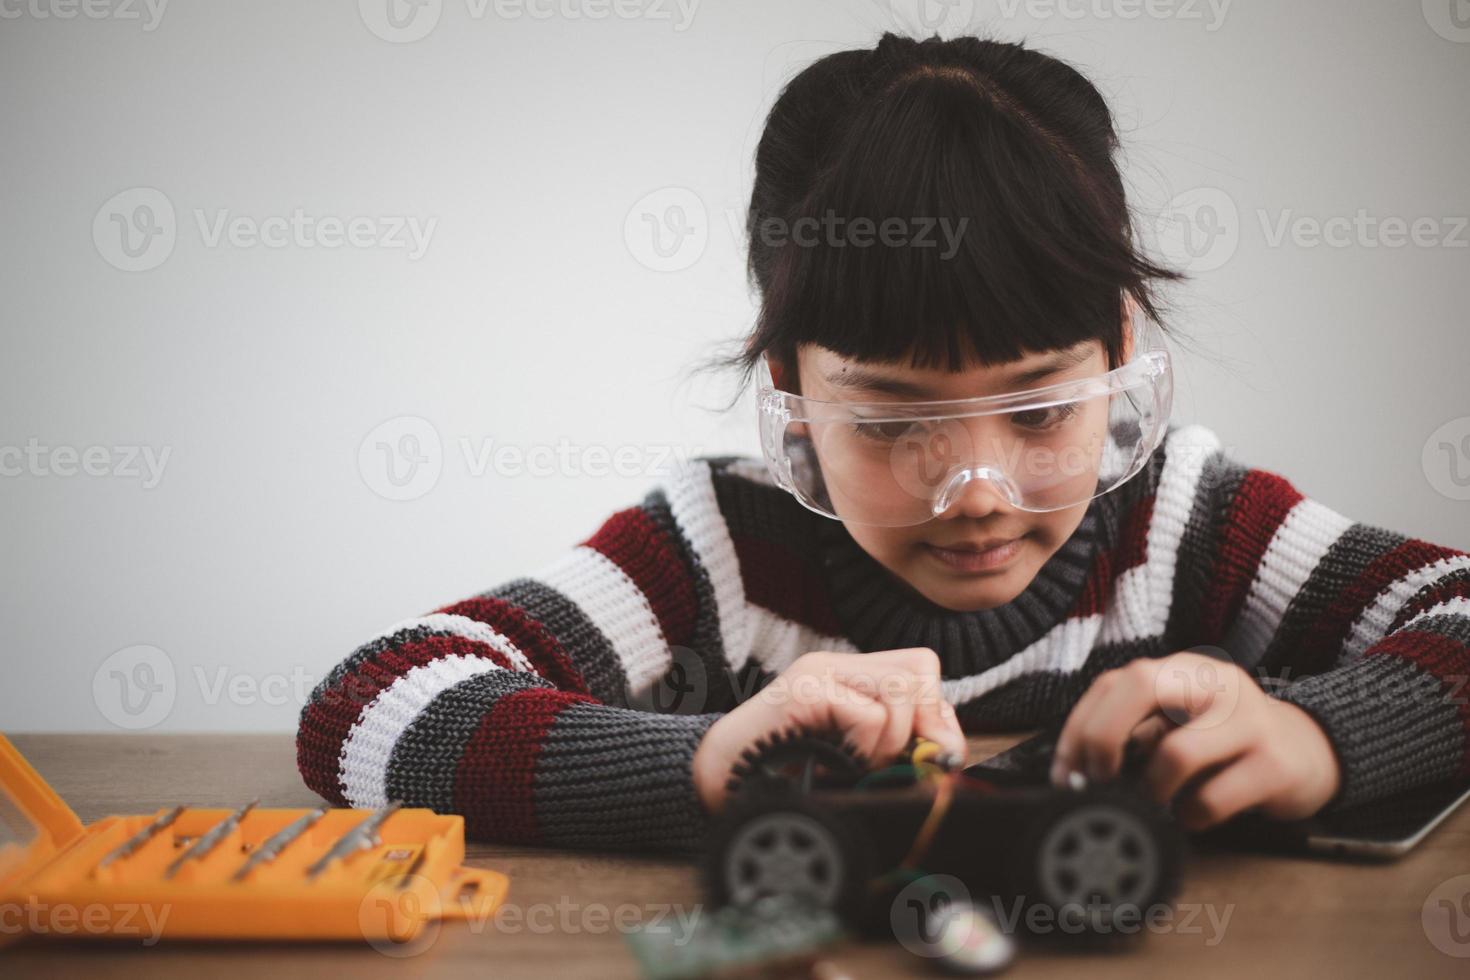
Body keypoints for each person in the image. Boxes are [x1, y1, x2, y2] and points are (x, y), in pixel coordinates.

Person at [296, 32, 1469, 853]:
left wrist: (1323, 733)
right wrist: (703, 765)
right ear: (790, 392)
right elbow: (368, 706)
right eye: (895, 421)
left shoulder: (1192, 520)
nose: (977, 492)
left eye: (1040, 409)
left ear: (1120, 348)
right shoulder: (717, 549)